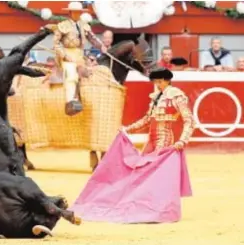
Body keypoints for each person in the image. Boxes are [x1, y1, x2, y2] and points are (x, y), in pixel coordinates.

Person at [70, 67, 195, 224]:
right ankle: (152, 204)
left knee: (157, 174)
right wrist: (127, 129)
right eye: (155, 81)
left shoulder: (176, 96)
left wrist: (182, 140)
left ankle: (159, 207)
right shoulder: (157, 96)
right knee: (149, 172)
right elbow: (147, 120)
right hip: (152, 139)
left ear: (166, 80)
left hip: (165, 139)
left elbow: (189, 120)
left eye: (159, 81)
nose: (157, 84)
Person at [51, 1, 107, 116]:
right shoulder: (63, 25)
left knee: (92, 72)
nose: (77, 14)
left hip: (80, 55)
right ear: (70, 13)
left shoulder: (84, 25)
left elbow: (92, 38)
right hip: (67, 55)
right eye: (75, 12)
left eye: (79, 12)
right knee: (71, 74)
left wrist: (101, 46)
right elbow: (56, 43)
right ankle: (70, 102)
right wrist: (65, 55)